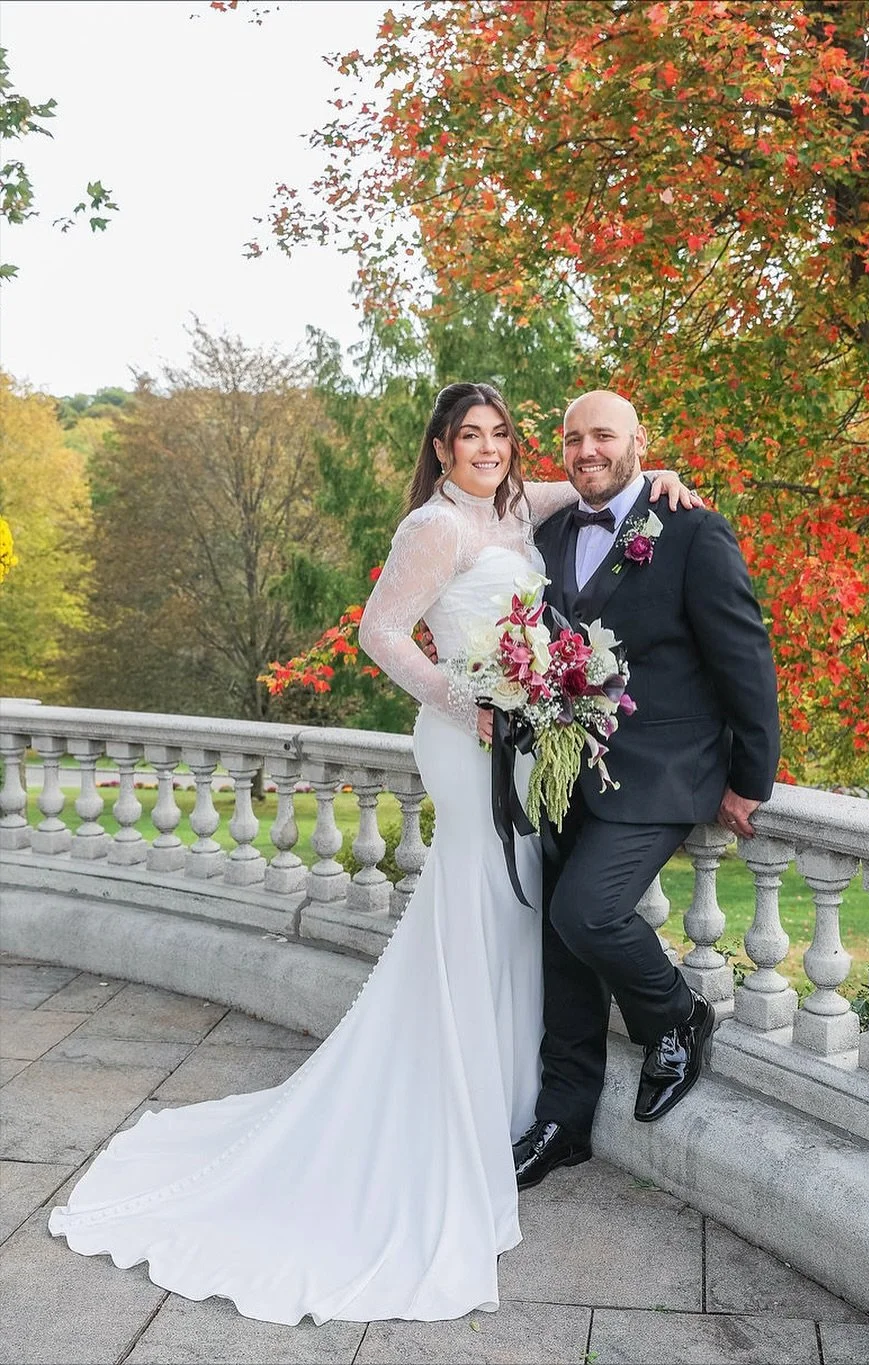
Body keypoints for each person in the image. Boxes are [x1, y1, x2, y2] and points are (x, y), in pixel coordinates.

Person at [48, 381, 699, 1326]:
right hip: (465, 736)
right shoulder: (433, 528)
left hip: (517, 744)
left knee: (512, 909)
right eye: (468, 436)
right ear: (438, 449)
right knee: (479, 903)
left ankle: (512, 1099)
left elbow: (597, 491)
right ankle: (453, 1112)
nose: (488, 446)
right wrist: (460, 697)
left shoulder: (518, 504)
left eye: (500, 433)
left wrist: (664, 472)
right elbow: (378, 631)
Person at [505, 390, 780, 1191]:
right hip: (566, 771)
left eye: (604, 436)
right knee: (557, 946)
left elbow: (745, 655)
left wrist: (748, 779)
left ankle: (675, 1014)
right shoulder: (550, 533)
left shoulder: (691, 527)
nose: (586, 450)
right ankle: (563, 1116)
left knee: (585, 912)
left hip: (666, 769)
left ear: (638, 443)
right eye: (572, 438)